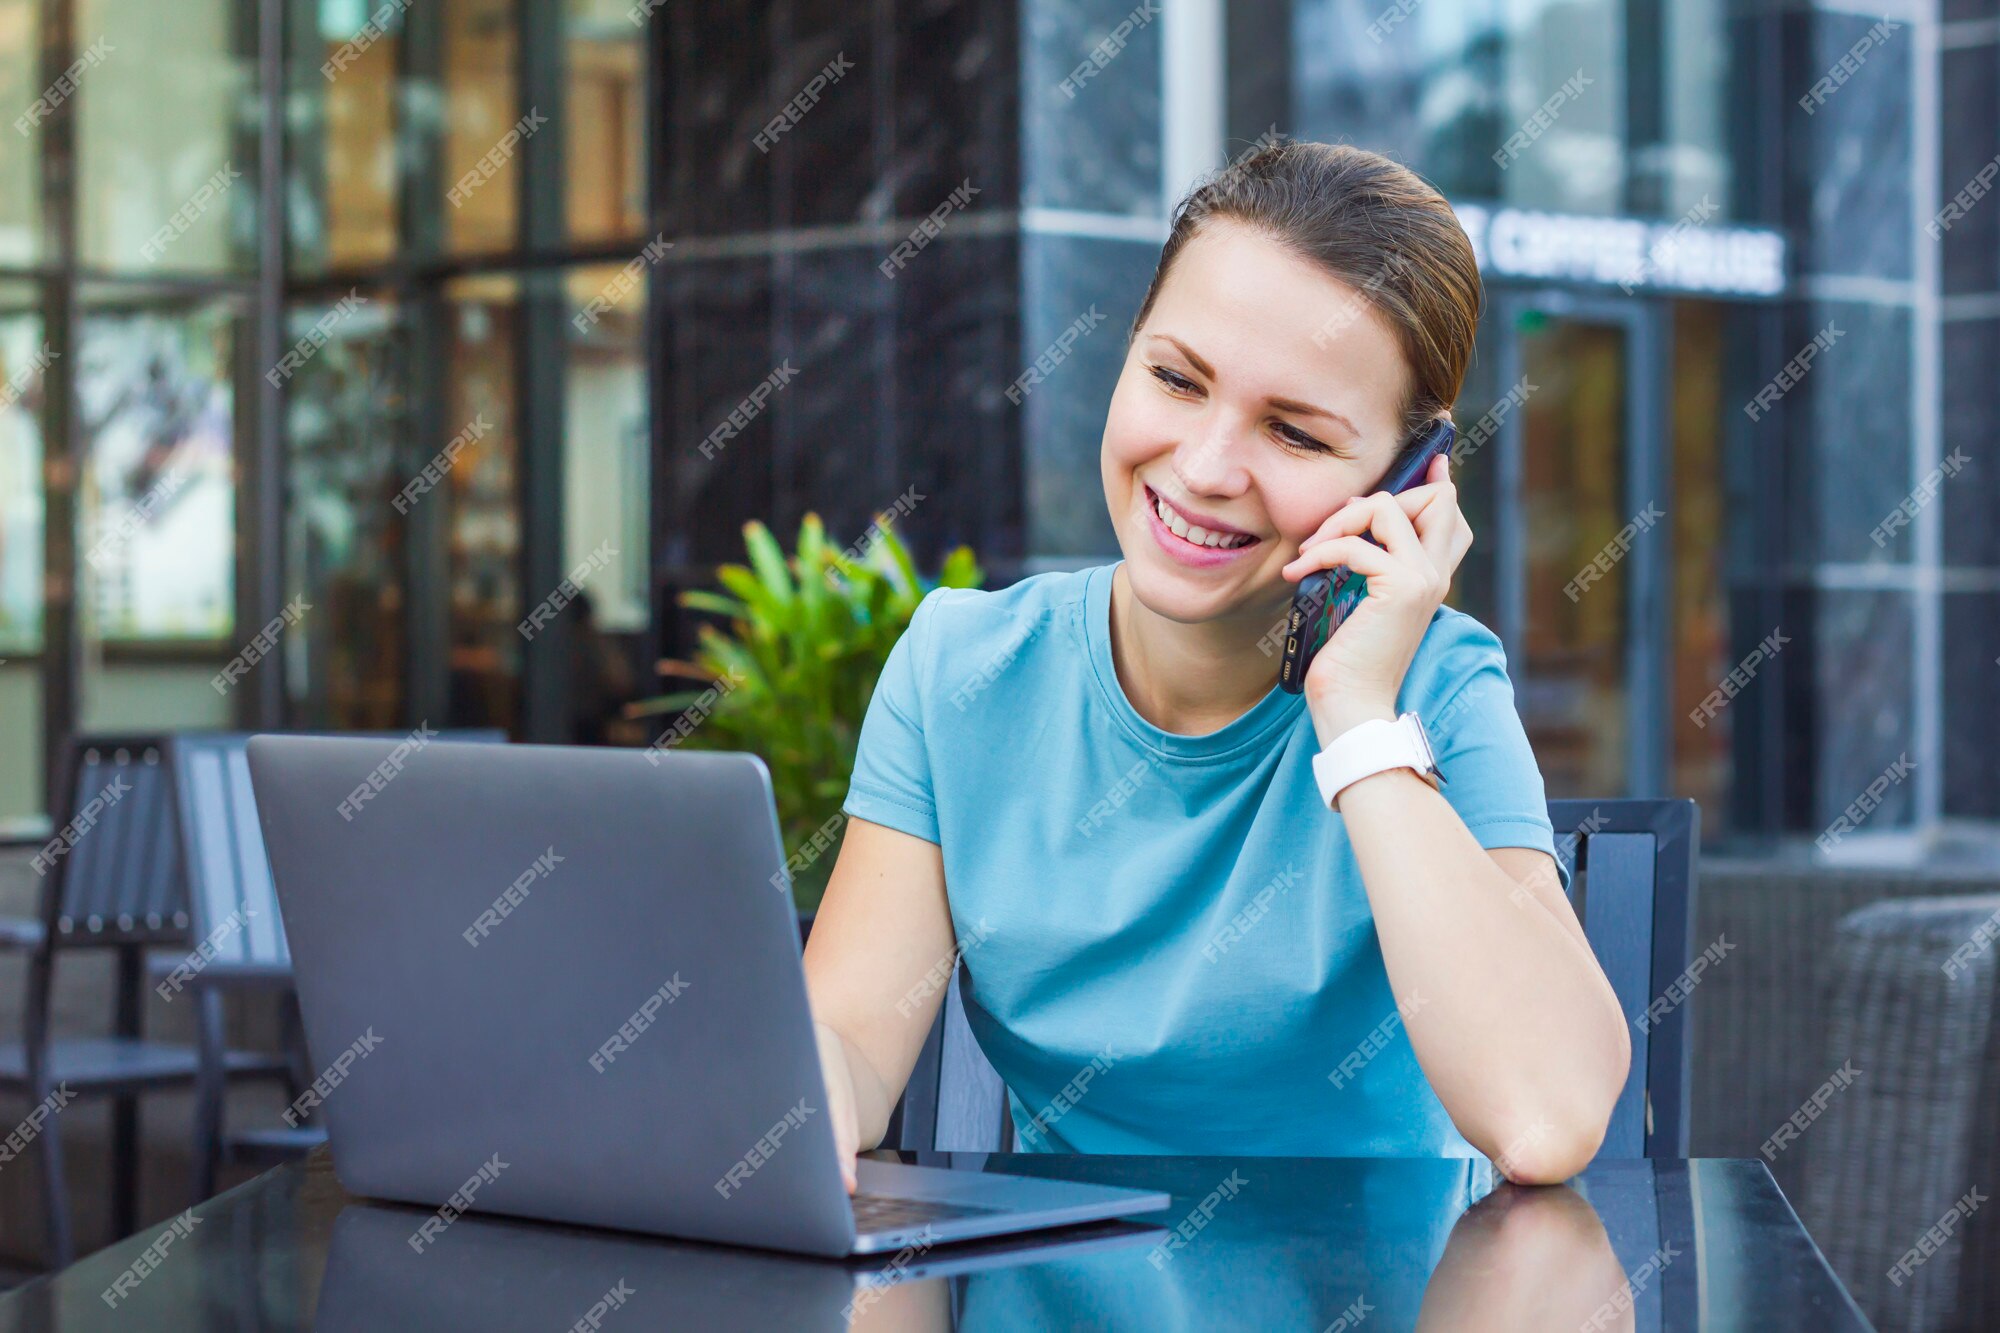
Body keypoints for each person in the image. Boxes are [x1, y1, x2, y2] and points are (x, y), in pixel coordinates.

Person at [802, 140, 1630, 1191]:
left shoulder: (1435, 688)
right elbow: (847, 1049)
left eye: (1292, 432)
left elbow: (1544, 1119)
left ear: (1408, 478)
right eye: (1173, 378)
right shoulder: (961, 670)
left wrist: (1355, 713)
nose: (1201, 468)